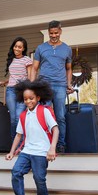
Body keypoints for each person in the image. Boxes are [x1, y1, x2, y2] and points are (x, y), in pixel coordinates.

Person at [5, 79, 59, 195]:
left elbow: (56, 129)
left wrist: (52, 148)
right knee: (16, 172)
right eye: (25, 99)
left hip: (42, 152)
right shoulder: (23, 115)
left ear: (38, 98)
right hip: (27, 151)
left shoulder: (45, 111)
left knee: (39, 178)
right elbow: (18, 135)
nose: (28, 101)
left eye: (31, 98)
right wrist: (12, 152)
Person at [31, 20, 73, 153]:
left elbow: (69, 69)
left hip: (60, 85)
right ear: (48, 33)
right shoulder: (41, 48)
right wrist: (32, 86)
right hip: (44, 85)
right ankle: (46, 142)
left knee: (60, 116)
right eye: (51, 33)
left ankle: (61, 144)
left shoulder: (67, 49)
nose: (54, 36)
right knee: (45, 115)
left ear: (60, 31)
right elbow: (34, 68)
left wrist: (69, 83)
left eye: (56, 33)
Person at [0, 36, 33, 140]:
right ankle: (15, 143)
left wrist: (30, 90)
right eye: (16, 46)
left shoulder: (27, 60)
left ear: (23, 49)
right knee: (13, 118)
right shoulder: (11, 59)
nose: (17, 49)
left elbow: (30, 77)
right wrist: (4, 82)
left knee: (19, 117)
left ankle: (21, 143)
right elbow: (13, 76)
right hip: (10, 90)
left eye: (20, 47)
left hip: (22, 91)